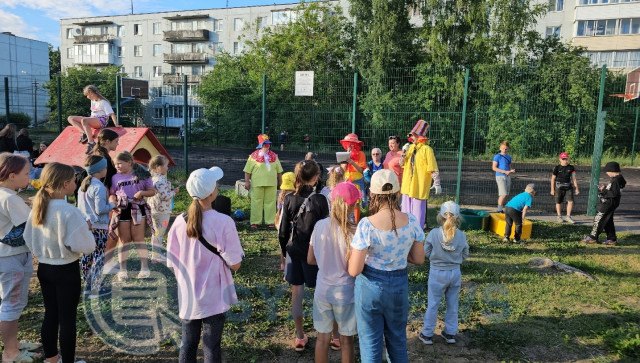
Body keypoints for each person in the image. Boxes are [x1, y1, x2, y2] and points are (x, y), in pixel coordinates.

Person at [167, 166, 244, 363]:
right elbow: (235, 264)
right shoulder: (224, 222)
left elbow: (171, 261)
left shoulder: (178, 222)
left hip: (187, 292)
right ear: (213, 192)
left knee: (188, 343)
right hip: (214, 294)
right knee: (211, 345)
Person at [348, 169, 425, 363]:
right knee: (398, 342)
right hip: (398, 286)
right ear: (398, 193)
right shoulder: (412, 221)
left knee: (370, 345)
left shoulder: (366, 225)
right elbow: (418, 259)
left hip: (370, 288)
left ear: (372, 194)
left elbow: (354, 270)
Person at [24, 162, 96, 363]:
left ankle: (51, 359)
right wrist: (87, 229)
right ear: (65, 184)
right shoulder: (69, 212)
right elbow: (88, 246)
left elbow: (28, 237)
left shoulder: (38, 208)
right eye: (74, 180)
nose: (76, 183)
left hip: (45, 268)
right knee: (67, 320)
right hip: (66, 270)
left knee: (51, 314)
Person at [278, 160, 329, 352]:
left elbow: (283, 231)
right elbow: (327, 228)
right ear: (316, 178)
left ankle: (299, 336)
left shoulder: (289, 199)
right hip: (316, 253)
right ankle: (332, 336)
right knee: (323, 294)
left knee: (297, 294)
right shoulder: (320, 200)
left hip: (294, 251)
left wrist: (284, 254)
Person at [308, 182, 361, 363]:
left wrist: (326, 262)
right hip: (346, 293)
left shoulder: (319, 226)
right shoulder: (355, 230)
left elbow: (310, 259)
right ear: (352, 206)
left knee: (322, 339)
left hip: (323, 290)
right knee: (347, 341)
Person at [0, 153, 42, 363]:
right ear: (12, 175)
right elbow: (31, 226)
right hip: (11, 258)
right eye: (27, 173)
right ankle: (10, 353)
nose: (30, 176)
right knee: (12, 303)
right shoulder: (10, 198)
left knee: (12, 302)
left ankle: (13, 344)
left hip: (7, 257)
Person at [419, 201, 469, 345]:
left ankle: (427, 334)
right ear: (458, 218)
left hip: (436, 272)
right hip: (455, 273)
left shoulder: (434, 233)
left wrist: (435, 258)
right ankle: (450, 333)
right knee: (453, 304)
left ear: (440, 217)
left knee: (433, 304)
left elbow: (426, 251)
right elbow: (465, 252)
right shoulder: (461, 235)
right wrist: (456, 258)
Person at [109, 151, 156, 281]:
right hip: (122, 209)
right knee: (124, 240)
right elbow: (112, 193)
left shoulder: (142, 174)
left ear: (129, 162)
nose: (117, 166)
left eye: (119, 163)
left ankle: (144, 267)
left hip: (138, 207)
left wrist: (142, 192)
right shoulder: (115, 177)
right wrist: (112, 200)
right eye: (115, 164)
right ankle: (123, 269)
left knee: (138, 238)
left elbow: (152, 191)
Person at [77, 155, 115, 299]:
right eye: (105, 167)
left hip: (86, 226)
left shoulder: (83, 186)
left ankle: (87, 287)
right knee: (99, 257)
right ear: (101, 170)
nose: (106, 169)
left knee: (87, 256)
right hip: (99, 227)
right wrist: (113, 205)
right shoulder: (98, 186)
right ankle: (96, 289)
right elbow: (100, 209)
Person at [399, 120, 441, 229]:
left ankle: (417, 233)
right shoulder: (410, 148)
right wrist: (403, 153)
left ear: (419, 136)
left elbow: (433, 167)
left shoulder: (427, 149)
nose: (411, 138)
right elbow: (401, 164)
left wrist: (437, 183)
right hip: (407, 186)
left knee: (418, 212)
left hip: (419, 186)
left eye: (413, 136)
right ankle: (405, 231)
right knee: (405, 211)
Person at [92, 129, 120, 274]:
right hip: (104, 199)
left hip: (101, 199)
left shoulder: (100, 155)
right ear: (107, 141)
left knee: (107, 231)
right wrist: (111, 204)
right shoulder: (104, 159)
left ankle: (105, 261)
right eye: (116, 141)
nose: (118, 144)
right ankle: (105, 263)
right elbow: (105, 183)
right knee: (110, 231)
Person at [243, 134, 283, 229]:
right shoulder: (253, 156)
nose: (266, 146)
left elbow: (279, 171)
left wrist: (281, 183)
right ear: (260, 145)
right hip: (257, 184)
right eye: (264, 144)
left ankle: (270, 221)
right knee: (256, 202)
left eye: (268, 144)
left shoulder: (274, 156)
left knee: (270, 202)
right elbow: (247, 170)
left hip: (271, 184)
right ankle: (255, 221)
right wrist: (247, 182)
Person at [582, 162, 626, 245]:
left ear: (612, 170)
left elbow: (614, 194)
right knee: (608, 220)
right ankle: (612, 239)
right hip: (613, 202)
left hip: (609, 203)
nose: (606, 173)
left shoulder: (615, 180)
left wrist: (603, 190)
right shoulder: (619, 179)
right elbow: (615, 191)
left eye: (607, 171)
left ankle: (592, 237)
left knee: (598, 218)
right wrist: (606, 188)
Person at [67, 85, 118, 154]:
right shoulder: (93, 101)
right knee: (70, 118)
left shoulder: (103, 102)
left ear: (93, 93)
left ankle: (91, 143)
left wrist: (116, 124)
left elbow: (112, 114)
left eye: (88, 95)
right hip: (93, 119)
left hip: (101, 121)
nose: (87, 97)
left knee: (84, 120)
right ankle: (84, 133)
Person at [147, 155, 179, 263]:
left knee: (156, 232)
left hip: (154, 209)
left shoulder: (153, 178)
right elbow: (165, 196)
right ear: (158, 166)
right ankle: (156, 255)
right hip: (162, 211)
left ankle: (155, 254)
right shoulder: (160, 179)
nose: (167, 168)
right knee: (159, 233)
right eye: (166, 165)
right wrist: (174, 192)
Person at [339, 133, 367, 214]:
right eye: (348, 143)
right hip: (347, 181)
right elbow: (342, 169)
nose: (350, 145)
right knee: (347, 202)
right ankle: (348, 221)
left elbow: (361, 170)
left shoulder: (361, 154)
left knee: (356, 203)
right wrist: (346, 157)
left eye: (352, 143)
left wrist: (352, 163)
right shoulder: (344, 154)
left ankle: (356, 222)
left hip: (357, 181)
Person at [551, 152, 579, 224]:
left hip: (568, 186)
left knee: (570, 201)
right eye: (563, 159)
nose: (565, 160)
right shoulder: (556, 168)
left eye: (566, 159)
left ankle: (568, 216)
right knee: (558, 201)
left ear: (568, 159)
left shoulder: (571, 168)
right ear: (560, 159)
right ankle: (559, 216)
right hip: (559, 186)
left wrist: (576, 188)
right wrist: (552, 189)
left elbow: (574, 178)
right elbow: (553, 179)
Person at [275, 171, 295, 271]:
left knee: (282, 246)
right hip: (289, 224)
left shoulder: (281, 195)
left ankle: (283, 264)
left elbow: (278, 208)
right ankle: (289, 266)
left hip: (279, 222)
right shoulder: (293, 196)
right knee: (290, 245)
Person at [492, 141, 516, 213]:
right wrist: (505, 172)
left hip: (507, 176)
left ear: (508, 149)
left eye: (506, 149)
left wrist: (511, 171)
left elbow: (509, 167)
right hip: (500, 176)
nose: (504, 150)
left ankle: (501, 208)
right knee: (503, 194)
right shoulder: (497, 156)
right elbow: (494, 168)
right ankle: (499, 209)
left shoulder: (508, 157)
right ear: (500, 148)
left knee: (505, 194)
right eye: (503, 148)